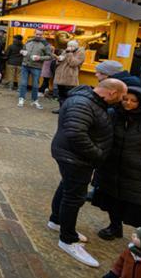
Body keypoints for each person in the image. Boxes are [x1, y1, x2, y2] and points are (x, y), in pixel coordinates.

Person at [48, 78, 127, 267]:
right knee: (74, 196)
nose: (123, 101)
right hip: (75, 158)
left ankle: (56, 221)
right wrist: (97, 153)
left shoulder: (92, 102)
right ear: (113, 93)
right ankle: (68, 239)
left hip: (73, 156)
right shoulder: (83, 103)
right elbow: (75, 133)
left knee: (66, 187)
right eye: (122, 97)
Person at [91, 87, 141, 239]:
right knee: (112, 202)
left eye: (133, 101)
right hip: (111, 170)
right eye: (125, 99)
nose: (128, 103)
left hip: (137, 175)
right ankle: (114, 228)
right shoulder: (112, 115)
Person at [18, 29, 52, 109]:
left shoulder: (46, 44)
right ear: (34, 33)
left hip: (36, 67)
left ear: (42, 35)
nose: (38, 36)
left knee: (35, 85)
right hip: (25, 65)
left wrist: (39, 58)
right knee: (23, 83)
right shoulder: (28, 41)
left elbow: (50, 56)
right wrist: (22, 52)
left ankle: (34, 100)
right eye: (37, 34)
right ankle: (21, 99)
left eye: (40, 35)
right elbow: (23, 50)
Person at [52, 40, 85, 114]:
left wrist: (69, 53)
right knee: (61, 94)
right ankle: (61, 109)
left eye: (72, 46)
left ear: (76, 47)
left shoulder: (81, 53)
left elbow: (73, 63)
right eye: (69, 46)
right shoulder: (65, 51)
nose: (69, 47)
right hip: (60, 76)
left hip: (70, 77)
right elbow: (60, 61)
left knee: (68, 95)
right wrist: (59, 60)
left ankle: (68, 111)